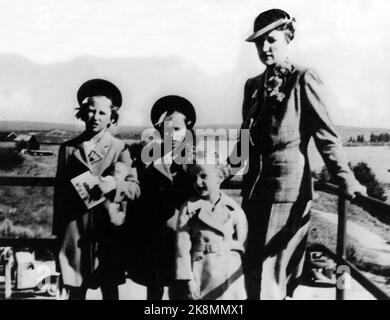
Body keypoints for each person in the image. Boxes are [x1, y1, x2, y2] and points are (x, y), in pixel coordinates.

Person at [229, 9, 366, 299]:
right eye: (258, 42)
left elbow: (326, 136)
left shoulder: (303, 78)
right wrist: (220, 173)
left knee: (273, 275)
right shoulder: (252, 86)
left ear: (288, 38)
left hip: (288, 194)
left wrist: (346, 179)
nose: (265, 48)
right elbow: (244, 141)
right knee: (252, 269)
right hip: (253, 194)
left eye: (272, 40)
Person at [53, 79, 140, 300]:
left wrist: (115, 186)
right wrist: (59, 233)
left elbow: (134, 188)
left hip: (107, 232)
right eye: (90, 111)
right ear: (82, 113)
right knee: (76, 288)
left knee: (109, 288)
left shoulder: (120, 148)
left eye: (102, 113)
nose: (95, 117)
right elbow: (59, 196)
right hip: (75, 230)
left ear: (112, 117)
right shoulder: (68, 149)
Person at [127, 95, 197, 300]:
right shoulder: (147, 158)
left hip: (184, 231)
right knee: (154, 284)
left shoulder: (195, 158)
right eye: (167, 129)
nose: (172, 135)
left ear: (187, 130)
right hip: (154, 231)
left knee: (181, 283)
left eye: (177, 129)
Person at [175, 151, 248, 300]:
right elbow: (181, 248)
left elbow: (242, 241)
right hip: (201, 270)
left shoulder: (232, 208)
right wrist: (188, 279)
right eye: (194, 178)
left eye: (203, 176)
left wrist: (235, 254)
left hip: (229, 270)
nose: (198, 182)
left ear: (220, 177)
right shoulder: (189, 209)